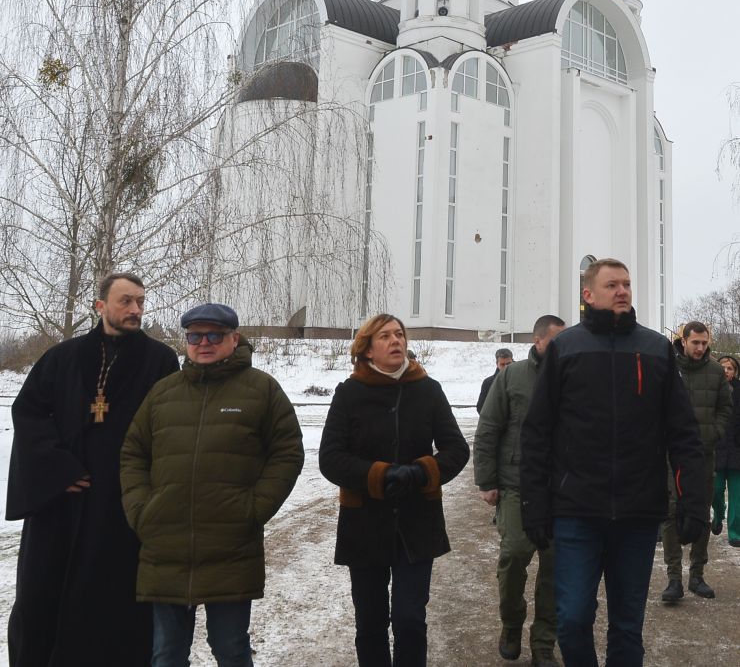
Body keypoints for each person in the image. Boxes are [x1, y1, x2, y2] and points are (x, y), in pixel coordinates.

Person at [520, 258, 706, 667]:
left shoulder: (655, 348)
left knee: (626, 626)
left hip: (637, 513)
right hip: (575, 512)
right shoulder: (566, 349)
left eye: (626, 284)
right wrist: (533, 503)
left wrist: (693, 498)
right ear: (588, 295)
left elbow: (683, 435)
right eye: (612, 285)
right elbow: (537, 433)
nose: (622, 291)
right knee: (571, 620)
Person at [6, 272, 179, 667]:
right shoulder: (62, 357)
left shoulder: (160, 361)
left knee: (111, 602)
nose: (135, 309)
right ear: (101, 306)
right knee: (40, 597)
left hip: (120, 505)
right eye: (125, 301)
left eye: (140, 301)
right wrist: (58, 469)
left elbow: (169, 428)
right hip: (61, 503)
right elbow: (29, 411)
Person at [120, 302, 304, 667]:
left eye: (214, 335)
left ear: (234, 338)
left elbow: (287, 452)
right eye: (194, 335)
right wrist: (143, 511)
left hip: (230, 546)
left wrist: (253, 509)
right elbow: (133, 453)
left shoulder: (262, 390)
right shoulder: (163, 393)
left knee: (231, 649)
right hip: (166, 546)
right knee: (166, 654)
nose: (203, 342)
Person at [318, 313, 469, 667]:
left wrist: (422, 471)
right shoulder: (349, 393)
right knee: (370, 622)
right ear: (367, 349)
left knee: (410, 619)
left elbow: (456, 449)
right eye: (384, 336)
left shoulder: (428, 389)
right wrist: (378, 475)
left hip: (417, 522)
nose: (395, 341)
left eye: (399, 334)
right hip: (364, 524)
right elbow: (331, 458)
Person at [474, 315, 565, 666]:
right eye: (556, 340)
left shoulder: (573, 378)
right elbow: (488, 429)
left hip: (561, 490)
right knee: (513, 557)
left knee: (556, 567)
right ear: (538, 341)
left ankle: (544, 641)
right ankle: (511, 625)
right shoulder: (512, 376)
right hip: (516, 486)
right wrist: (487, 480)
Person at [660, 322, 733, 602]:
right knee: (670, 512)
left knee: (701, 513)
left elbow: (725, 408)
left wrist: (713, 433)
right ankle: (673, 579)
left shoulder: (716, 371)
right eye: (695, 343)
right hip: (671, 454)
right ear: (684, 341)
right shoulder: (668, 370)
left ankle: (697, 576)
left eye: (704, 343)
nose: (701, 348)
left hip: (703, 454)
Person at [711, 354, 740, 547]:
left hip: (737, 449)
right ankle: (718, 514)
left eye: (730, 368)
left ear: (735, 371)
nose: (726, 371)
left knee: (737, 496)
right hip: (716, 448)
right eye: (723, 367)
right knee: (716, 490)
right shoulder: (711, 390)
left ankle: (734, 533)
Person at [476, 347, 514, 413]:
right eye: (502, 364)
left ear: (512, 361)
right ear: (497, 364)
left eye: (508, 364)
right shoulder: (488, 383)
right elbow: (481, 407)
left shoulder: (522, 378)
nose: (506, 367)